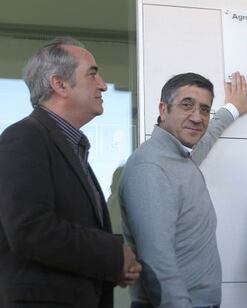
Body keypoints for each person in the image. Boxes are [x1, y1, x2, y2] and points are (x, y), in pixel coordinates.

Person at [0, 37, 141, 308]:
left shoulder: (70, 146)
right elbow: (30, 229)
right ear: (59, 84)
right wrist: (113, 256)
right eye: (92, 74)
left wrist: (116, 264)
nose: (102, 85)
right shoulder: (23, 138)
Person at [119, 72, 247, 308]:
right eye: (187, 105)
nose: (197, 117)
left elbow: (206, 137)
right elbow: (156, 261)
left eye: (205, 109)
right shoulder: (151, 168)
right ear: (163, 110)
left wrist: (231, 109)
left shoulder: (179, 157)